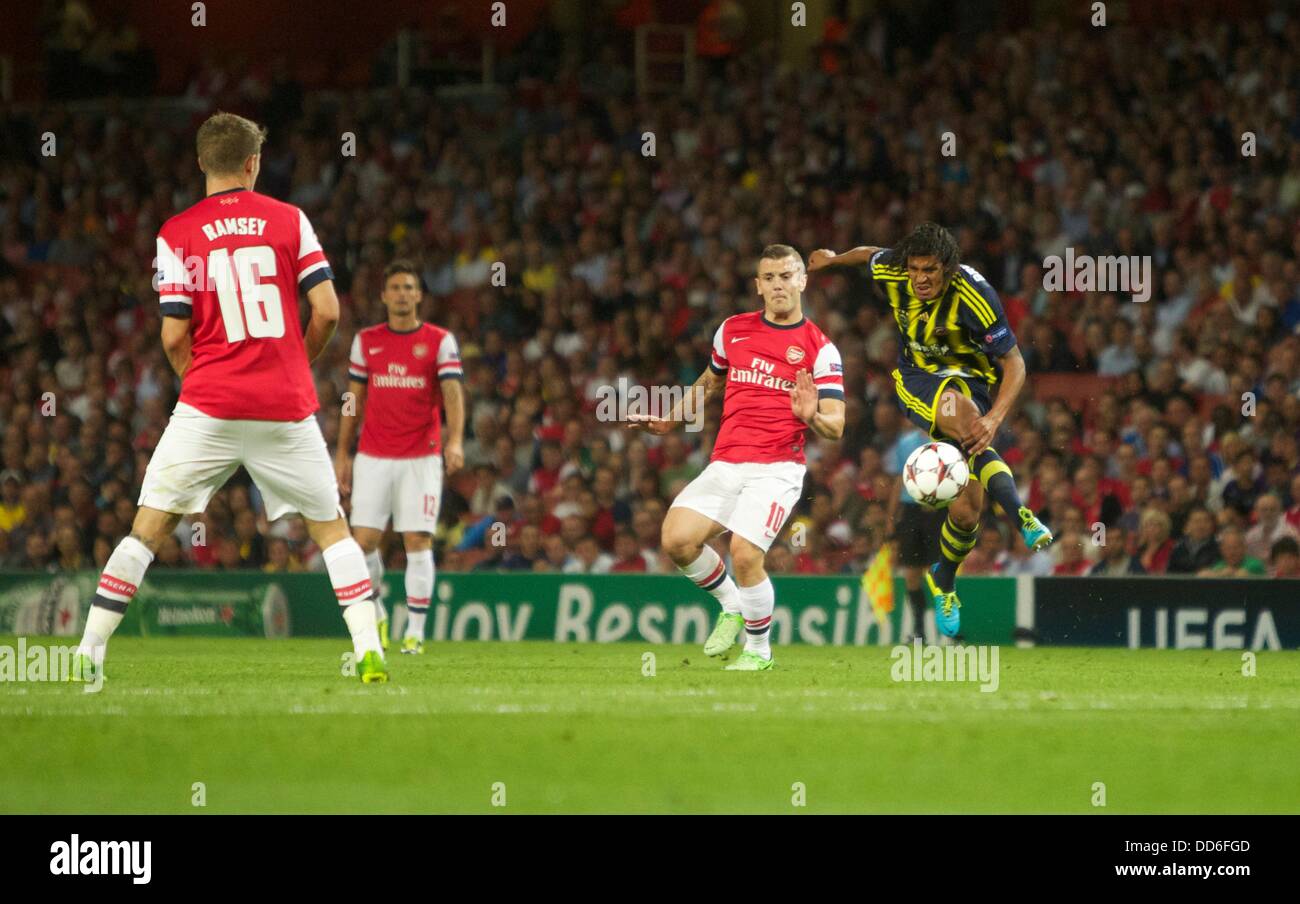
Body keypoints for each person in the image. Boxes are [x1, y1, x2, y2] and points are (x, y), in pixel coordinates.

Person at [70, 111, 387, 684]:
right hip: (284, 407)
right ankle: (368, 649)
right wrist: (292, 361)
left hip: (208, 407)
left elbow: (172, 334)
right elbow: (330, 312)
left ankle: (89, 650)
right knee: (330, 529)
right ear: (252, 163)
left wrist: (203, 378)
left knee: (147, 529)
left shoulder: (177, 232)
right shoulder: (290, 220)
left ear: (200, 164)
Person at [810, 223, 1052, 637]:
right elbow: (868, 252)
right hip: (917, 378)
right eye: (916, 269)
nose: (921, 278)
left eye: (931, 271)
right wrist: (833, 260)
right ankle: (1020, 514)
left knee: (965, 511)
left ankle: (944, 580)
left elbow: (1015, 363)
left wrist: (996, 418)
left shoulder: (977, 295)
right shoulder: (894, 269)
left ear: (949, 268)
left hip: (972, 379)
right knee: (964, 417)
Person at [627, 245, 845, 670]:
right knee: (676, 539)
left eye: (787, 276)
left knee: (745, 553)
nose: (778, 284)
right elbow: (710, 382)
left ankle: (759, 652)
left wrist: (811, 414)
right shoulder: (732, 330)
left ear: (802, 281)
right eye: (770, 278)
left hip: (778, 468)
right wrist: (671, 422)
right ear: (758, 286)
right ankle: (730, 604)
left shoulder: (821, 349)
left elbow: (836, 425)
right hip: (727, 461)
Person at [334, 260, 465, 655]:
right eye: (396, 287)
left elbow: (454, 395)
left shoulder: (440, 340)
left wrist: (454, 440)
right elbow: (352, 399)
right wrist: (342, 451)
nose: (403, 294)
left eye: (410, 287)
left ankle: (417, 632)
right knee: (365, 541)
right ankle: (377, 615)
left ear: (419, 295)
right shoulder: (366, 341)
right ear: (384, 295)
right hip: (372, 455)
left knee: (417, 539)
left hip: (421, 458)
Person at [882, 423, 942, 641]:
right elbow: (899, 480)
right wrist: (891, 518)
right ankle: (919, 631)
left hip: (937, 511)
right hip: (911, 512)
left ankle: (948, 629)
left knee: (939, 572)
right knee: (912, 574)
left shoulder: (945, 443)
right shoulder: (905, 443)